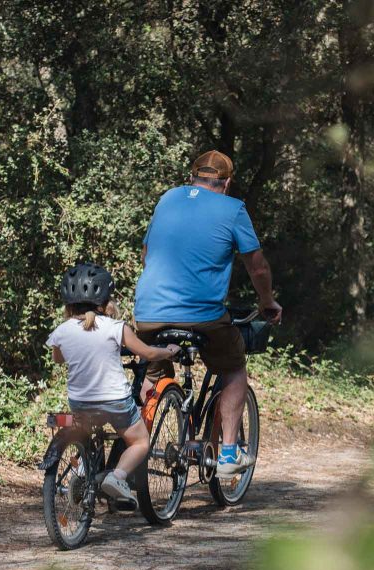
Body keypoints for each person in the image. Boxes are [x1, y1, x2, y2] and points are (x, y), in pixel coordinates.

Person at [133, 150, 282, 478]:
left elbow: (146, 254)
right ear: (227, 183)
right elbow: (256, 266)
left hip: (147, 313)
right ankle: (228, 453)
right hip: (203, 317)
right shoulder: (233, 209)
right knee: (232, 369)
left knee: (151, 376)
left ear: (191, 177)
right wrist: (267, 301)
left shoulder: (168, 198)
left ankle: (131, 456)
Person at [47, 263, 179, 507]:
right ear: (104, 300)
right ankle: (116, 477)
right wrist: (168, 351)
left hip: (80, 403)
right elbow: (148, 353)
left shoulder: (62, 331)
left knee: (87, 434)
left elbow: (58, 358)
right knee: (140, 442)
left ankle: (83, 474)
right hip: (114, 401)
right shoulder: (117, 328)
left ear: (68, 304)